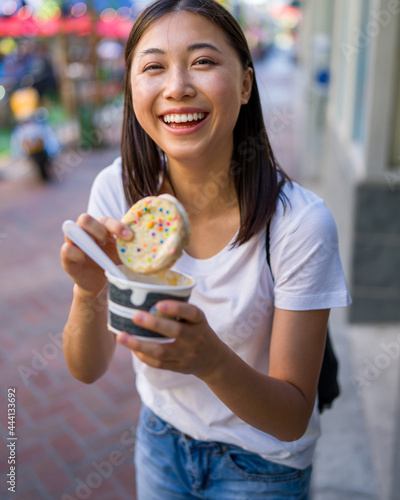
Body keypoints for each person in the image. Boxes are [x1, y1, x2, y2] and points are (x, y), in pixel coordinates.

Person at [61, 0, 351, 498]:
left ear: (244, 84)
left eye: (203, 61)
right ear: (133, 91)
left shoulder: (300, 225)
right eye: (153, 67)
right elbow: (86, 370)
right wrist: (89, 291)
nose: (177, 87)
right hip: (159, 441)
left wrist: (210, 360)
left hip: (263, 467)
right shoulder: (119, 194)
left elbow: (291, 418)